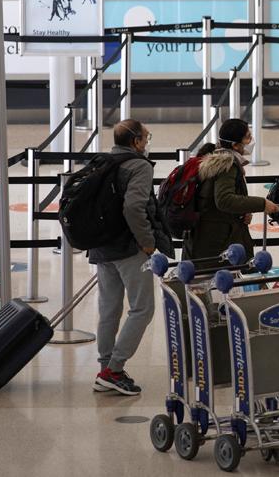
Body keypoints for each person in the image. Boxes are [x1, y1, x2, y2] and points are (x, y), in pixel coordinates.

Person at [89, 119, 174, 396]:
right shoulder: (138, 166)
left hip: (101, 246)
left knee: (109, 309)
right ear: (135, 141)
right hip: (128, 248)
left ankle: (105, 369)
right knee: (142, 309)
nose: (147, 143)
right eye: (146, 138)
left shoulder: (102, 162)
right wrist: (147, 242)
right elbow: (134, 207)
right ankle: (113, 371)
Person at [184, 119, 279, 264]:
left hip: (204, 237)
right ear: (235, 145)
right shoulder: (227, 164)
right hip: (215, 243)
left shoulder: (213, 157)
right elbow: (224, 200)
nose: (251, 141)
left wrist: (243, 211)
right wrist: (262, 204)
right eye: (247, 137)